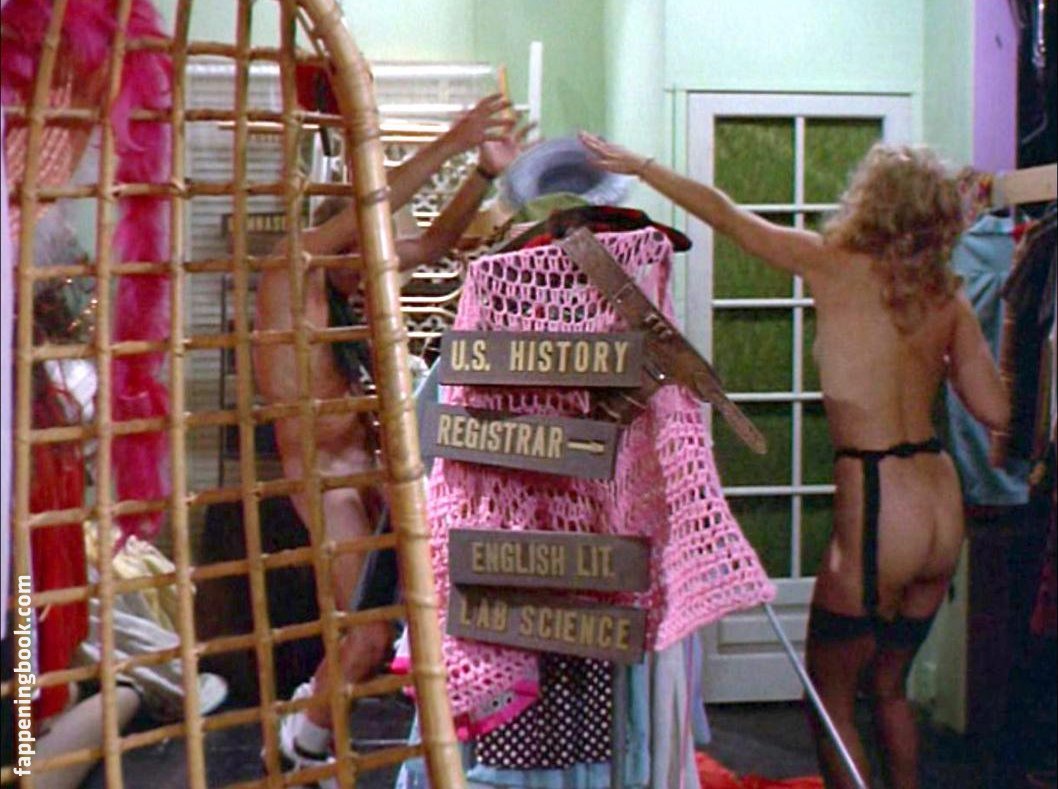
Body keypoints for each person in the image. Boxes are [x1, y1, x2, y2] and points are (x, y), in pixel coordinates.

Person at [579, 132, 1009, 788]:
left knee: (829, 698)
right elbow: (996, 408)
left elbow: (725, 214)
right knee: (890, 688)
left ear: (872, 201)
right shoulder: (947, 297)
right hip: (938, 502)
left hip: (880, 501)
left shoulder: (831, 261)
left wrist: (641, 166)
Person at [253, 94, 528, 779]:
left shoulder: (345, 286)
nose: (372, 272)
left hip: (370, 474)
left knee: (399, 622)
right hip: (329, 486)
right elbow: (375, 210)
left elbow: (432, 246)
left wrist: (483, 174)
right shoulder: (289, 273)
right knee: (371, 634)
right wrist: (454, 140)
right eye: (360, 253)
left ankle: (304, 723)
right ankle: (297, 746)